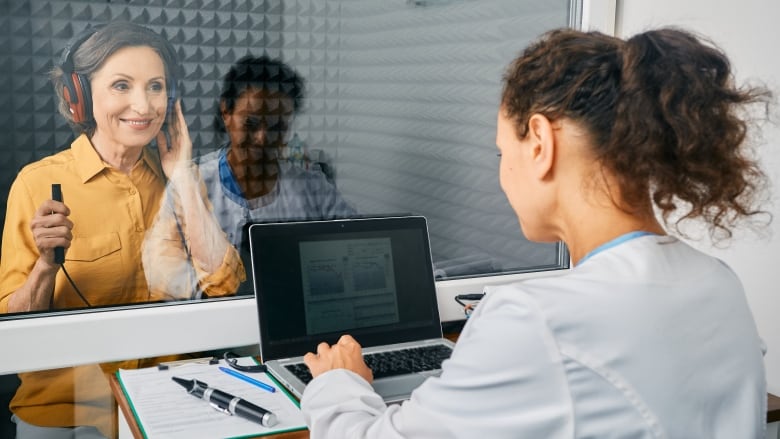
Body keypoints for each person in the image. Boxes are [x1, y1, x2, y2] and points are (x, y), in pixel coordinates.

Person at [299, 28, 771, 438]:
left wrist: (340, 383)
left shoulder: (535, 320)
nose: (502, 174)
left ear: (541, 144)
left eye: (503, 153)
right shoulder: (718, 283)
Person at [0, 21, 243, 438]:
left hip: (169, 396)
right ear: (78, 98)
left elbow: (225, 287)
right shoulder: (36, 184)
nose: (144, 106)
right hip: (66, 409)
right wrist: (45, 266)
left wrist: (182, 177)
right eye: (121, 86)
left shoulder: (180, 181)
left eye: (155, 86)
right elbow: (13, 329)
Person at [198, 55, 357, 251]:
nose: (263, 139)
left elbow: (357, 240)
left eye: (277, 127)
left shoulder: (313, 188)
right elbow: (163, 269)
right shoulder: (191, 187)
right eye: (251, 123)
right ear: (226, 113)